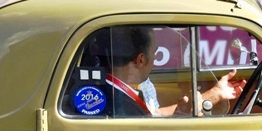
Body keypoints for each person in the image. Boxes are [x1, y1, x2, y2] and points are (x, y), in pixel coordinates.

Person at [105, 26, 245, 117]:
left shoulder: (137, 87)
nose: (155, 58)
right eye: (154, 52)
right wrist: (180, 117)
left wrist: (216, 94)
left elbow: (156, 114)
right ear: (140, 60)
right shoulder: (119, 106)